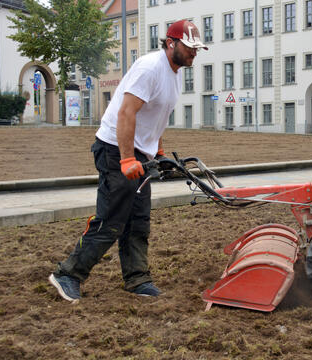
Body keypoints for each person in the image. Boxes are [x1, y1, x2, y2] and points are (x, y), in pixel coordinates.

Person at [49, 19, 208, 302]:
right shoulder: (150, 67)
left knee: (138, 220)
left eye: (197, 48)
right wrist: (125, 160)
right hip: (115, 148)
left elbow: (158, 116)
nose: (195, 52)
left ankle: (137, 279)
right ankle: (68, 274)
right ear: (171, 43)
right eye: (190, 47)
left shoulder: (175, 72)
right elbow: (126, 113)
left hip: (140, 154)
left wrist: (157, 152)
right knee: (112, 219)